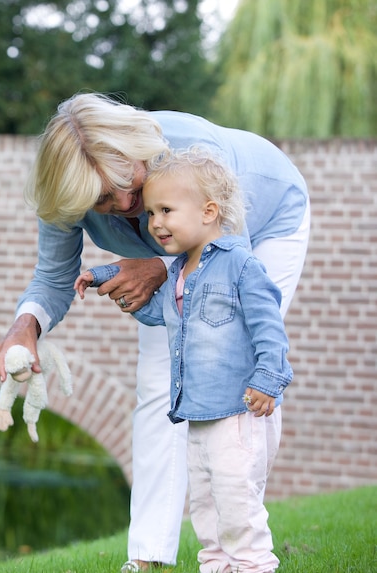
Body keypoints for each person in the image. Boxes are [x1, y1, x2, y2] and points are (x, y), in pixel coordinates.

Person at [0, 92, 310, 572]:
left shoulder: (191, 152)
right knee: (156, 385)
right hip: (183, 255)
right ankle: (147, 558)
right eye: (102, 201)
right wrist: (25, 327)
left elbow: (228, 267)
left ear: (139, 154)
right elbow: (54, 277)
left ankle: (244, 547)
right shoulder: (65, 191)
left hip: (263, 226)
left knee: (232, 359)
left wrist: (161, 268)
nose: (124, 205)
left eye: (129, 186)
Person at [75, 147, 293, 573]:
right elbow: (160, 315)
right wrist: (106, 278)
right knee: (207, 505)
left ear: (209, 211)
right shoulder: (179, 273)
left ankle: (253, 566)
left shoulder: (241, 266)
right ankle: (216, 566)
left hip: (236, 412)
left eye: (166, 210)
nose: (155, 223)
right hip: (198, 416)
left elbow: (270, 329)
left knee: (236, 502)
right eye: (152, 212)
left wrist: (269, 378)